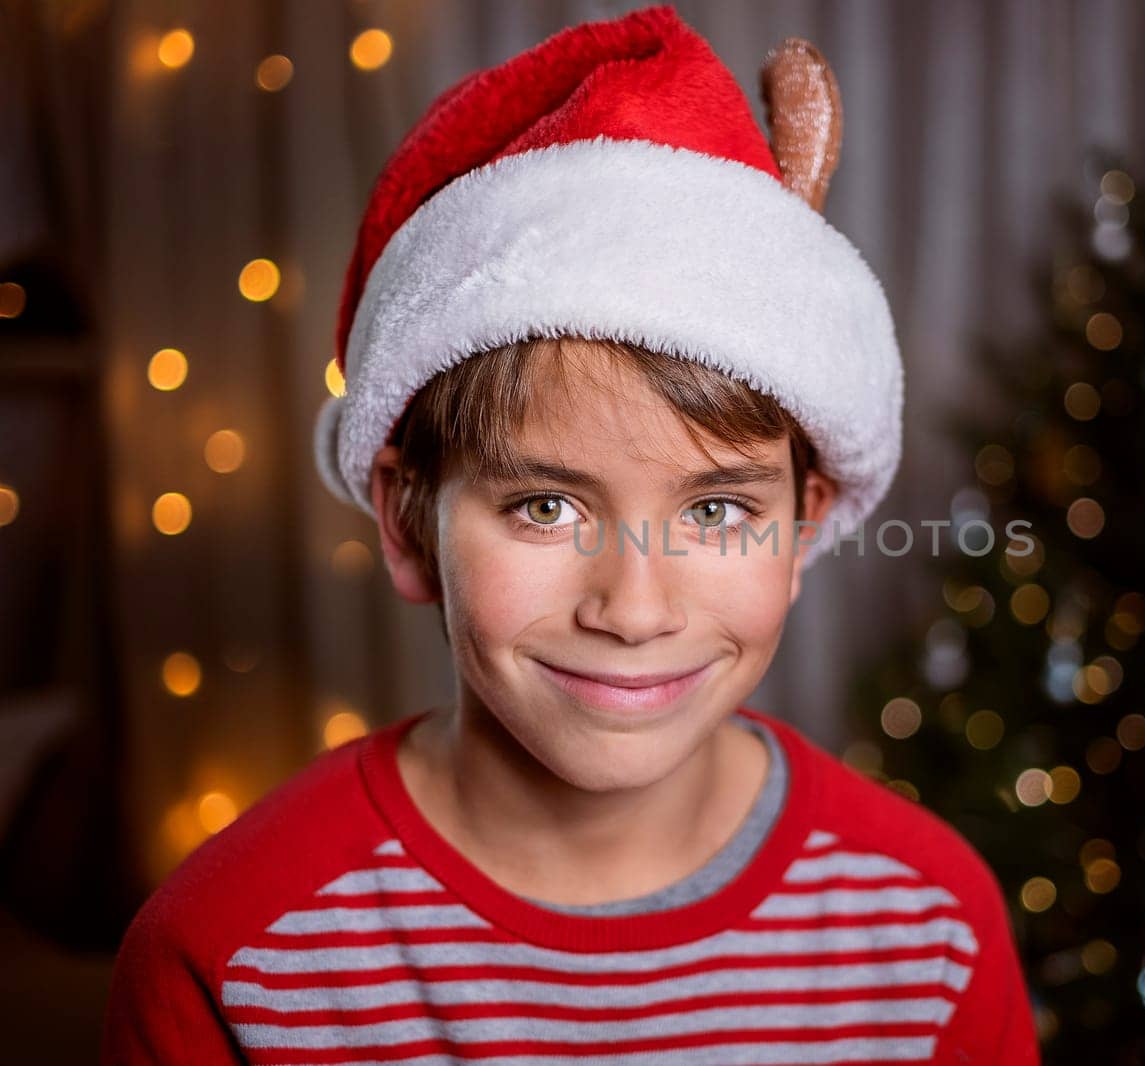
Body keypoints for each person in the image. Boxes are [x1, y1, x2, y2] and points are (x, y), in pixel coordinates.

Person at [100, 5, 1038, 1063]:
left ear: (803, 529)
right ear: (406, 523)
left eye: (717, 509)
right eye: (544, 505)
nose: (633, 610)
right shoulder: (232, 952)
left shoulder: (926, 931)